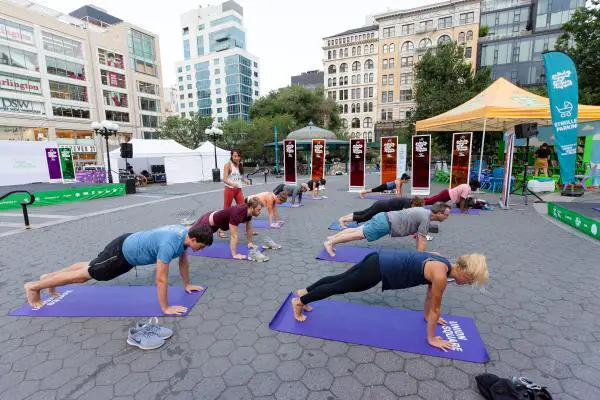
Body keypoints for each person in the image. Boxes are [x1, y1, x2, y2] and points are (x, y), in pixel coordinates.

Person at [291, 251, 488, 352]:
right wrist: (431, 338)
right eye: (470, 279)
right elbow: (436, 306)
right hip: (377, 269)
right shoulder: (441, 275)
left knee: (339, 279)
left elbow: (430, 298)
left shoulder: (444, 262)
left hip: (377, 258)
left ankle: (305, 291)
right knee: (340, 286)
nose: (468, 283)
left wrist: (429, 316)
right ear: (462, 270)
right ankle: (300, 301)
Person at [23, 225, 214, 314]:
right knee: (85, 276)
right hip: (122, 254)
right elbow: (161, 279)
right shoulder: (169, 245)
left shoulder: (185, 234)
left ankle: (50, 277)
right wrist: (165, 307)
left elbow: (183, 262)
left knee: (91, 265)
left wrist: (187, 283)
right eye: (202, 246)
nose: (202, 250)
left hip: (126, 245)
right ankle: (34, 288)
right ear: (195, 239)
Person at [324, 202, 451, 256]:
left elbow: (419, 236)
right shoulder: (425, 217)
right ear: (439, 213)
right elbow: (421, 242)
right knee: (357, 235)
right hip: (384, 224)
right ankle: (331, 242)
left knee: (357, 231)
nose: (447, 217)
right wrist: (421, 259)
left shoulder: (424, 212)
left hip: (383, 217)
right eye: (446, 214)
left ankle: (332, 238)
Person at [192, 198, 264, 260]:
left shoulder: (248, 213)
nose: (260, 212)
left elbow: (248, 228)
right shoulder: (238, 213)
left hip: (216, 225)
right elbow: (234, 235)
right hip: (207, 221)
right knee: (190, 235)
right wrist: (234, 254)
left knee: (201, 239)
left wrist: (250, 243)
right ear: (251, 208)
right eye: (258, 210)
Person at [338, 196, 425, 228]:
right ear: (415, 203)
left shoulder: (408, 200)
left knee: (363, 212)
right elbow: (404, 214)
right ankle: (343, 221)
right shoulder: (407, 203)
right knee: (365, 217)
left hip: (380, 204)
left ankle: (344, 218)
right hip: (381, 206)